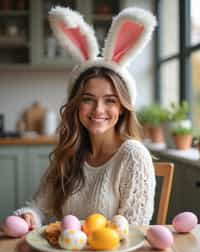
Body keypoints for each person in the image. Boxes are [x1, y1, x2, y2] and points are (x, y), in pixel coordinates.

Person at [12, 6, 157, 229]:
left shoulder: (133, 156)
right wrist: (29, 216)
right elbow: (40, 206)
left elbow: (134, 230)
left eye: (110, 100)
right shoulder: (70, 151)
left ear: (122, 108)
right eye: (88, 99)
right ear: (76, 105)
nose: (98, 110)